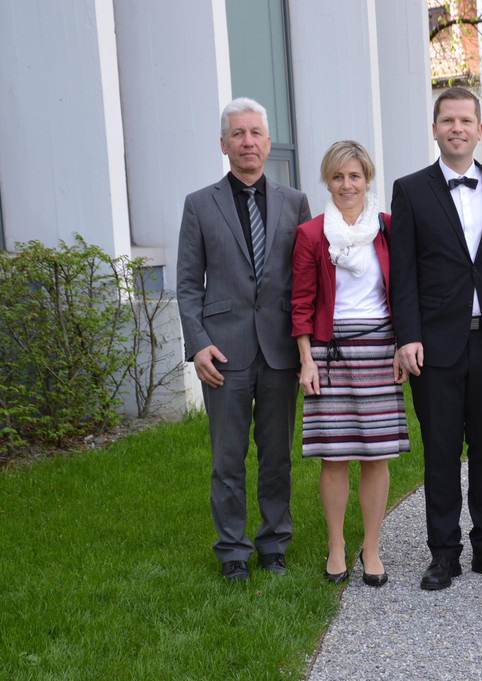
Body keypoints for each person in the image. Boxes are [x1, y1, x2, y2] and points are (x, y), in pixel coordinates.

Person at [390, 87, 482, 590]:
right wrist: (407, 336)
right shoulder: (410, 189)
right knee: (441, 451)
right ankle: (443, 552)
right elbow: (403, 271)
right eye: (448, 120)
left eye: (466, 120)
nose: (457, 128)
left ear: (480, 130)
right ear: (435, 129)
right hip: (435, 345)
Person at [177, 97, 312, 582]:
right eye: (238, 134)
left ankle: (273, 544)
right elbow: (188, 283)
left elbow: (306, 279)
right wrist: (198, 344)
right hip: (223, 350)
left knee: (276, 456)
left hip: (280, 349)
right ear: (224, 144)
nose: (247, 141)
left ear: (268, 143)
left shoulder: (295, 202)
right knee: (227, 459)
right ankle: (232, 551)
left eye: (255, 133)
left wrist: (307, 346)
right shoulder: (199, 204)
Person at [291, 140, 410, 587]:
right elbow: (301, 303)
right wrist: (306, 360)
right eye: (338, 176)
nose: (347, 185)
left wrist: (401, 345)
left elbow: (403, 293)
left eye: (355, 176)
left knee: (377, 456)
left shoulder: (387, 228)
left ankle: (372, 548)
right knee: (335, 456)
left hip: (379, 350)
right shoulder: (311, 234)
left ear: (367, 179)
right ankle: (337, 545)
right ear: (328, 180)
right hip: (329, 353)